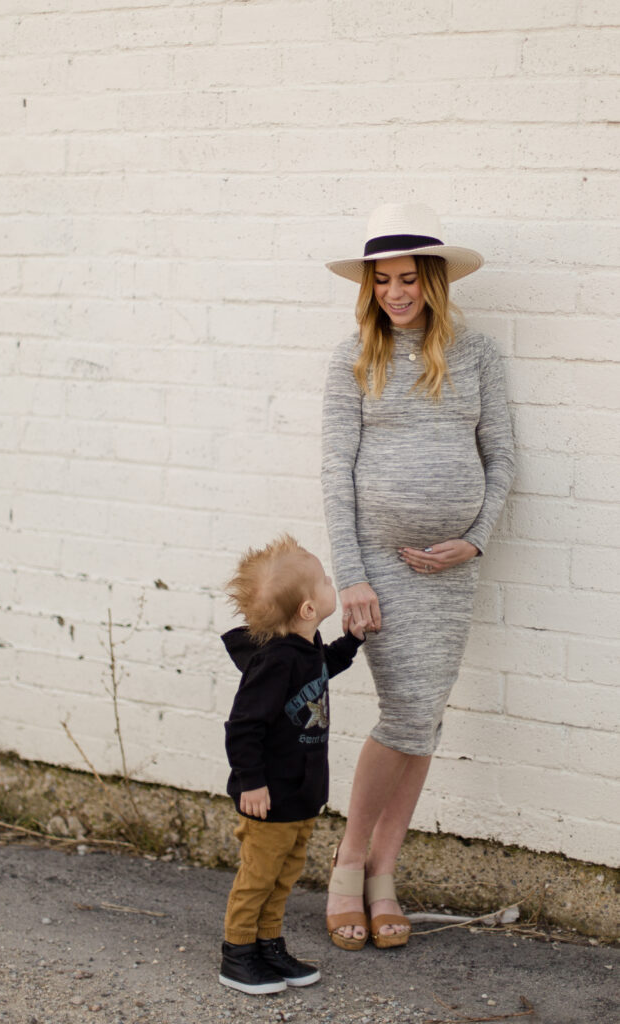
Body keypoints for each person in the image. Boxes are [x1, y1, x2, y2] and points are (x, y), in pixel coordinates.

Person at [321, 202, 515, 951]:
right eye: (381, 281)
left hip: (450, 573)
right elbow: (336, 476)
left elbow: (501, 461)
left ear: (431, 282)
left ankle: (383, 873)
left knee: (423, 716)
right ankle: (348, 866)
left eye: (406, 279)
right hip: (380, 569)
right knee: (404, 713)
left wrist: (472, 540)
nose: (394, 293)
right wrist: (351, 579)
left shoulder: (477, 355)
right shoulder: (350, 359)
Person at [219, 534, 366, 993]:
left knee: (283, 876)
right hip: (269, 796)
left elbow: (323, 667)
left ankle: (268, 946)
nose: (330, 582)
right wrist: (251, 783)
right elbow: (243, 726)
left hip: (301, 793)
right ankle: (237, 955)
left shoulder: (305, 649)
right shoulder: (274, 663)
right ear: (307, 608)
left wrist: (352, 642)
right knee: (258, 877)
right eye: (324, 580)